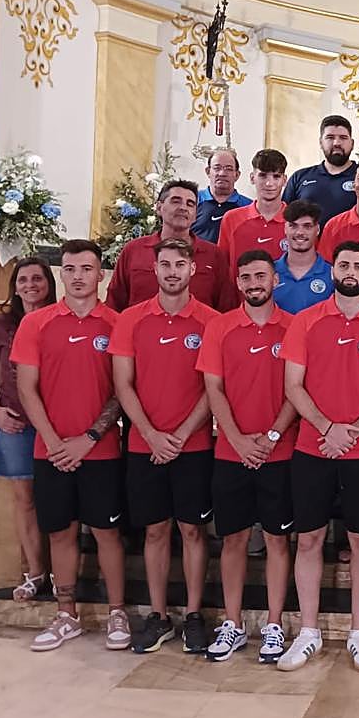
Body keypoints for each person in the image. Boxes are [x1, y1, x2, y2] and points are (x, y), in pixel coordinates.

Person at [277, 242, 359, 674]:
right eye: (343, 264)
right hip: (312, 449)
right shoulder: (305, 322)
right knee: (310, 539)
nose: (350, 271)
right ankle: (309, 631)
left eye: (358, 265)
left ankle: (358, 633)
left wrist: (349, 432)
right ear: (332, 271)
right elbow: (294, 386)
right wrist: (326, 428)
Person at [13, 240, 127, 652]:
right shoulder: (36, 323)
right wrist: (56, 441)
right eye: (71, 269)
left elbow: (122, 391)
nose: (78, 276)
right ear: (62, 274)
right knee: (61, 532)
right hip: (51, 451)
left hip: (101, 450)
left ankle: (117, 612)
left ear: (101, 275)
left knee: (107, 532)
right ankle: (67, 615)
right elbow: (27, 388)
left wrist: (89, 438)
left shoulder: (117, 324)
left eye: (87, 268)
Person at [110, 238, 219, 654]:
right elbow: (123, 383)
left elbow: (213, 388)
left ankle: (192, 614)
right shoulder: (132, 320)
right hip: (145, 444)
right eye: (165, 265)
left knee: (193, 530)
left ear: (193, 270)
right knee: (155, 531)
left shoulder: (211, 321)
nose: (172, 271)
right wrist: (152, 434)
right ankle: (158, 616)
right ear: (154, 270)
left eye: (180, 264)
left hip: (193, 446)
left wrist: (183, 433)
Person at [196, 251, 298, 664]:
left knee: (277, 539)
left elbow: (298, 388)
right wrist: (237, 440)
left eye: (261, 275)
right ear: (237, 283)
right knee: (233, 539)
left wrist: (271, 436)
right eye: (246, 277)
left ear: (275, 279)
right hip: (230, 452)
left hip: (281, 451)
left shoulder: (294, 327)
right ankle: (233, 623)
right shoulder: (220, 328)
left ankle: (273, 625)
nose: (254, 283)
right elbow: (213, 389)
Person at [0, 257, 56, 601]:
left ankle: (62, 571)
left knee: (58, 498)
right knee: (25, 500)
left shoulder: (60, 319)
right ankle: (35, 572)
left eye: (38, 279)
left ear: (49, 283)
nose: (31, 285)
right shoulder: (1, 326)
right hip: (14, 423)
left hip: (57, 425)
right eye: (24, 279)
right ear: (14, 286)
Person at [106, 180, 227, 311]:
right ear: (159, 208)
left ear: (195, 215)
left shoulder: (213, 255)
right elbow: (114, 304)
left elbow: (226, 309)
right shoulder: (134, 250)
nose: (183, 208)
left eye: (190, 204)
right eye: (176, 201)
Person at [216, 149, 288, 292]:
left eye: (276, 176)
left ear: (284, 180)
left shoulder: (296, 221)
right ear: (252, 177)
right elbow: (222, 268)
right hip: (240, 308)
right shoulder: (232, 219)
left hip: (285, 308)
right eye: (262, 175)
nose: (269, 183)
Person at [282, 114, 356, 225]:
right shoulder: (300, 177)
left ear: (352, 144)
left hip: (351, 242)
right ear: (321, 142)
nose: (337, 143)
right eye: (330, 138)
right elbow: (284, 218)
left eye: (343, 138)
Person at [273, 200, 334, 314]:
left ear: (317, 230)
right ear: (285, 229)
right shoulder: (269, 272)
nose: (300, 232)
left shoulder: (333, 275)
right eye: (293, 226)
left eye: (307, 226)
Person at [192, 149, 251, 243]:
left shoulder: (249, 206)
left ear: (237, 175)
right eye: (217, 168)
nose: (222, 173)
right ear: (208, 171)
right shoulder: (192, 201)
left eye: (228, 169)